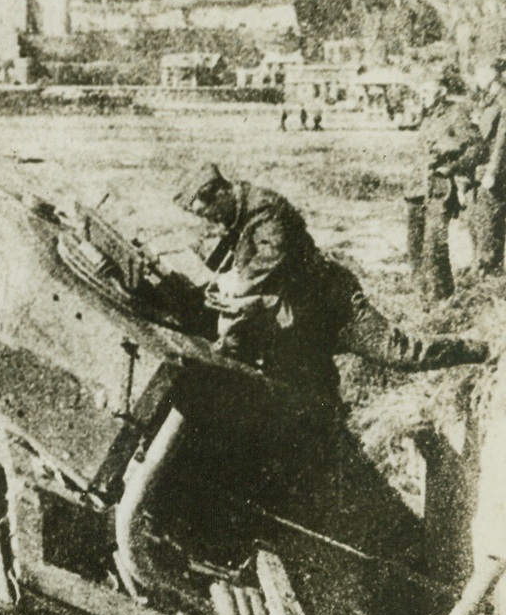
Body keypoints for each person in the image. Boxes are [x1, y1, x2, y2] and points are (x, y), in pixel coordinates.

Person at [176, 164, 489, 411]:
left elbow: (272, 255)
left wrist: (237, 285)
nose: (211, 221)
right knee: (313, 393)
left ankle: (481, 350)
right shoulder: (236, 213)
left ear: (219, 194)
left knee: (401, 353)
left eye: (208, 212)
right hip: (301, 319)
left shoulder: (264, 208)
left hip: (336, 309)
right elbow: (233, 254)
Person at [406, 68, 487, 302]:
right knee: (415, 248)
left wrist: (452, 168)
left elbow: (478, 148)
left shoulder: (456, 114)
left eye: (426, 91)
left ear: (441, 92)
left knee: (434, 249)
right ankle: (423, 300)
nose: (421, 95)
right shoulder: (428, 116)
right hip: (416, 191)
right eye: (419, 91)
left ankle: (442, 300)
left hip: (440, 190)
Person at [472, 56, 506, 274]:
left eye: (482, 72)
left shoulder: (502, 99)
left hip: (495, 169)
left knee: (490, 218)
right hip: (481, 168)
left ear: (493, 74)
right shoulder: (487, 98)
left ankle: (489, 267)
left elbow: (502, 138)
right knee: (479, 218)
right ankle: (483, 264)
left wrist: (493, 170)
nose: (478, 76)